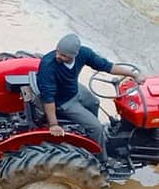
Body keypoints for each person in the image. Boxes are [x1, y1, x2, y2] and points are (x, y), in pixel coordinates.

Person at [36, 33, 144, 164]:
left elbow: (107, 66)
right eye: (58, 51)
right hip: (62, 101)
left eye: (63, 55)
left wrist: (133, 74)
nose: (58, 56)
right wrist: (53, 124)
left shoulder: (84, 53)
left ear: (74, 55)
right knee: (97, 127)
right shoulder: (48, 65)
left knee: (94, 102)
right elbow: (48, 98)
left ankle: (90, 134)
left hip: (74, 89)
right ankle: (102, 160)